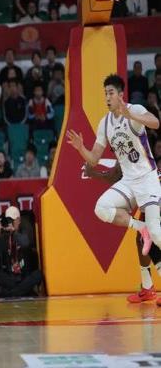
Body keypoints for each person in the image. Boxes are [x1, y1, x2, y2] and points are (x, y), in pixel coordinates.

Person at [67, 74, 161, 252]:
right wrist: (81, 148)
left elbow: (156, 123)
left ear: (120, 95)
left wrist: (132, 116)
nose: (107, 98)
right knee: (101, 208)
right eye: (105, 94)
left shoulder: (135, 109)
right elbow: (94, 159)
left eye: (111, 93)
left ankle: (151, 231)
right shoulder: (104, 123)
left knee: (157, 233)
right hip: (128, 181)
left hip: (147, 179)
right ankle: (142, 228)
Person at [84, 162, 161, 305]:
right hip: (149, 188)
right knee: (143, 237)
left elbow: (115, 175)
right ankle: (147, 288)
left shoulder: (137, 151)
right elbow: (117, 176)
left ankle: (148, 287)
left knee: (151, 235)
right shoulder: (131, 156)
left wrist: (93, 173)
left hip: (153, 188)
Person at [0, 206, 42, 297]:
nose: (10, 223)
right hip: (11, 276)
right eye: (8, 220)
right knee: (0, 276)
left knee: (38, 275)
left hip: (23, 275)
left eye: (12, 220)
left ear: (19, 220)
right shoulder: (4, 236)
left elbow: (25, 243)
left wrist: (14, 232)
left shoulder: (25, 230)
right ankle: (23, 291)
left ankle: (11, 293)